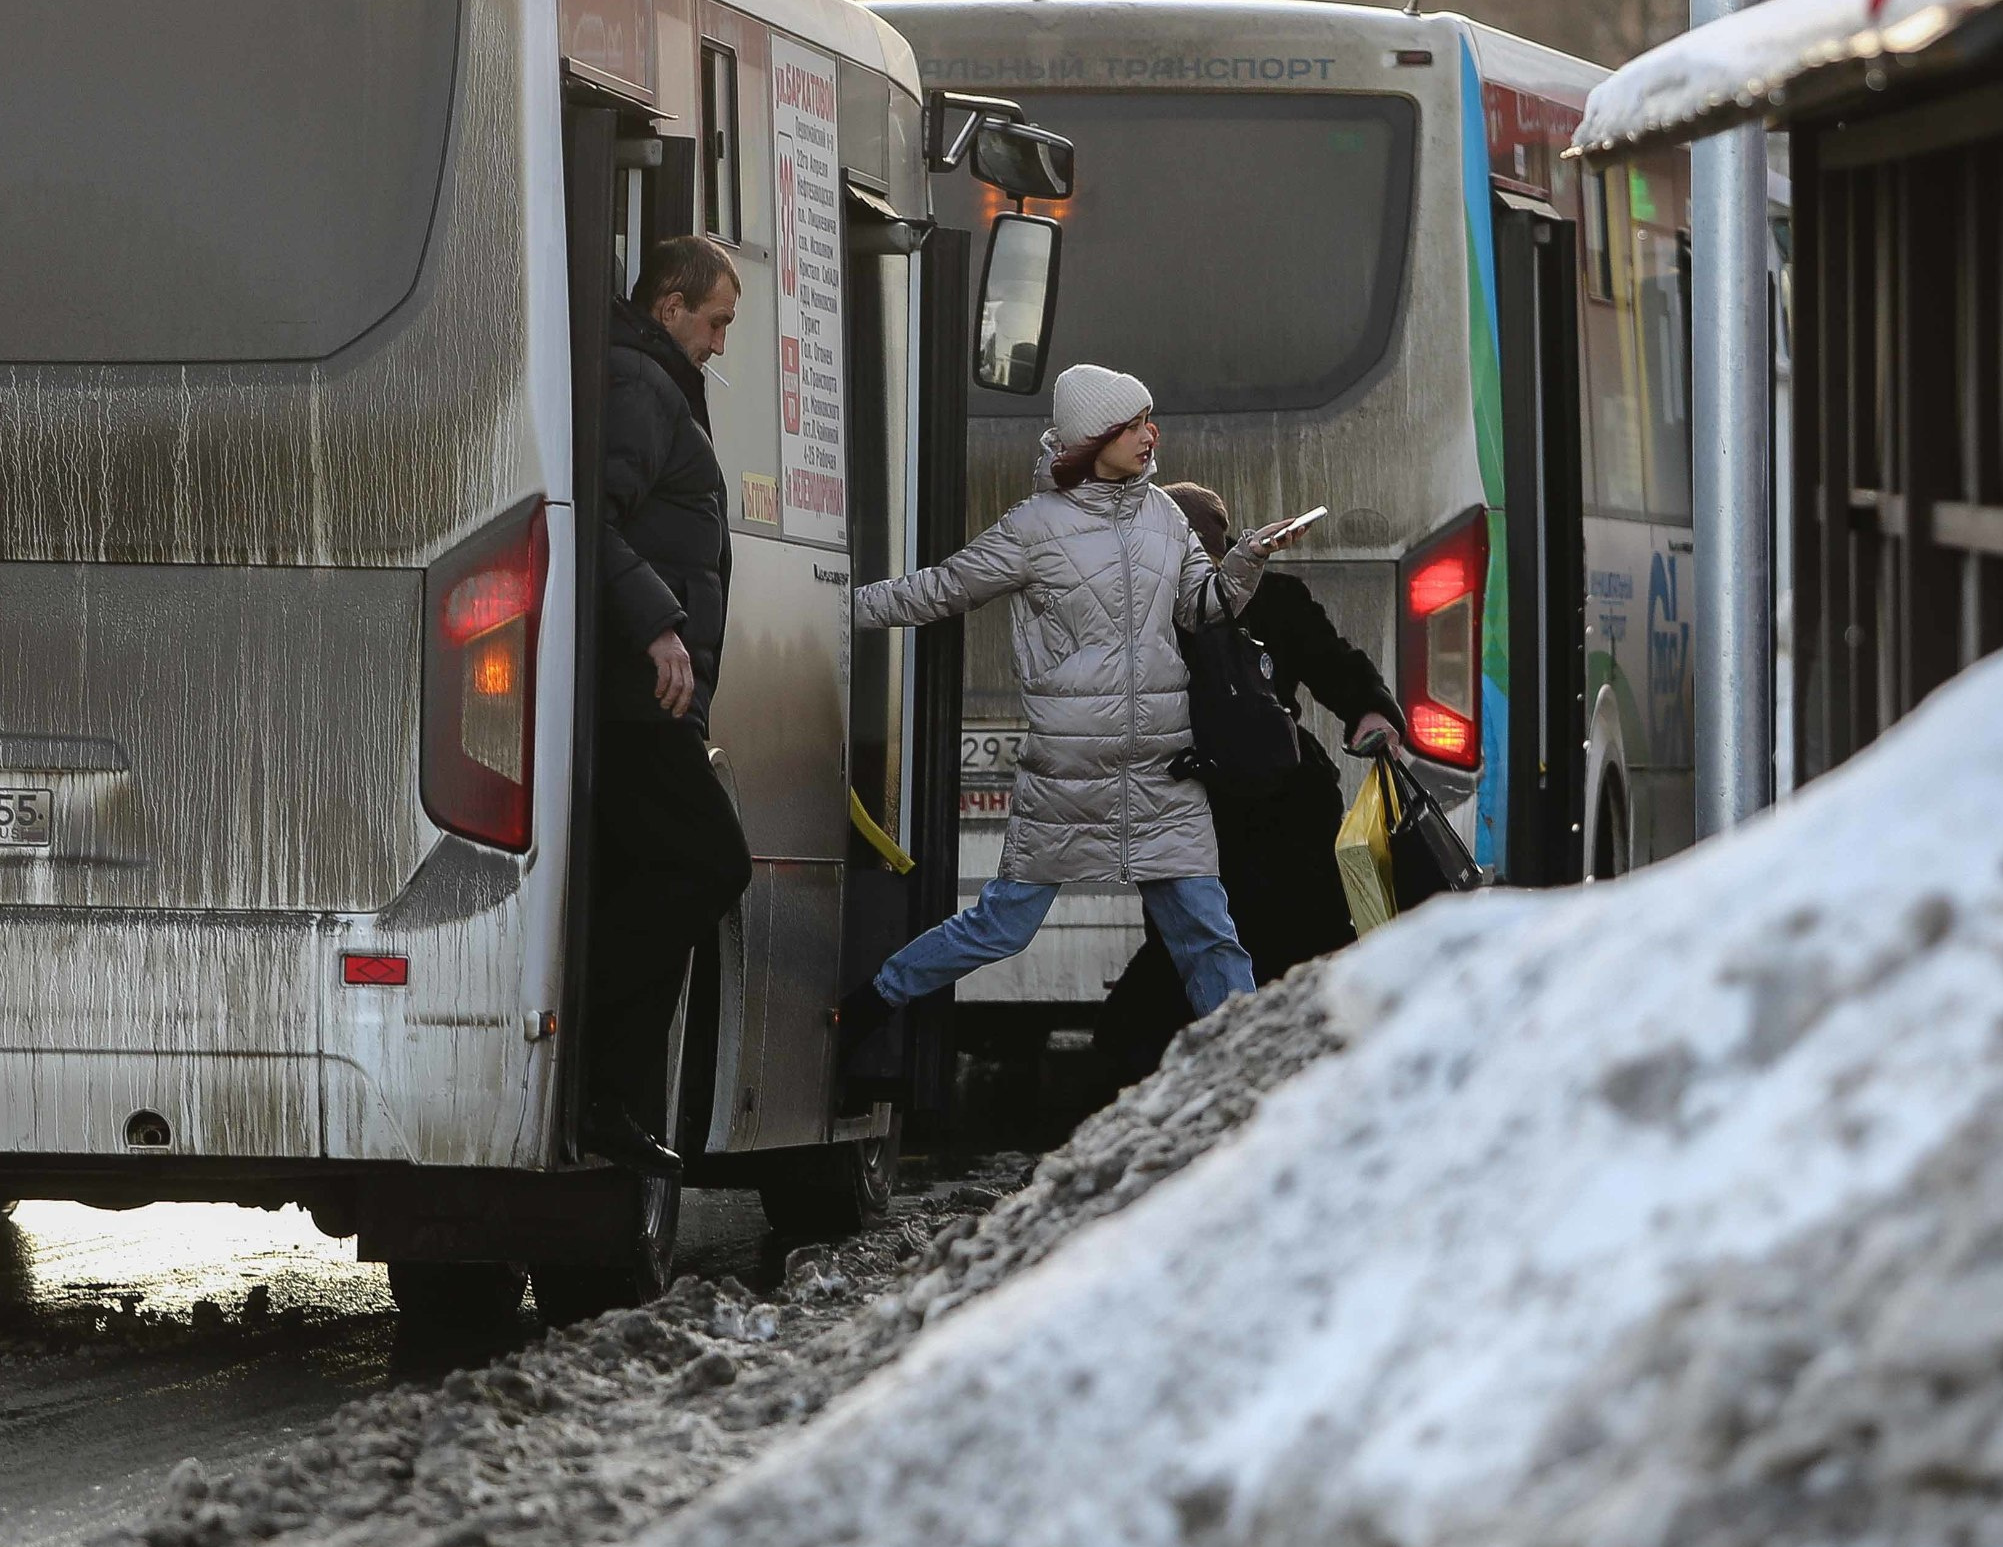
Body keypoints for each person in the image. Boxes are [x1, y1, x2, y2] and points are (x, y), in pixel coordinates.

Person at [835, 365, 1304, 1049]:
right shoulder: (1034, 526)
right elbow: (940, 589)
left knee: (1210, 937)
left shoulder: (1165, 517)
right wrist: (838, 606)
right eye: (1136, 424)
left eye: (1150, 419)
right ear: (1095, 438)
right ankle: (872, 1002)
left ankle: (1252, 1077)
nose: (1152, 435)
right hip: (1069, 777)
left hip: (1164, 772)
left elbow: (1204, 608)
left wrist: (1251, 556)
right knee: (1001, 927)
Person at [1094, 482, 1405, 1080]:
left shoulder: (1275, 598)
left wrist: (1372, 712)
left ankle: (1299, 1082)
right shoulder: (1142, 610)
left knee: (1273, 955)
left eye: (1203, 531)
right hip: (1197, 812)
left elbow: (1333, 663)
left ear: (1225, 534)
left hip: (1276, 811)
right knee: (1189, 962)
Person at [578, 234, 751, 1176]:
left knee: (670, 868)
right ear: (670, 305)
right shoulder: (640, 385)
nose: (720, 343)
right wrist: (658, 626)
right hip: (636, 697)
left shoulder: (651, 384)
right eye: (716, 322)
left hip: (647, 696)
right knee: (709, 861)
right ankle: (601, 1073)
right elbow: (589, 515)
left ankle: (604, 1082)